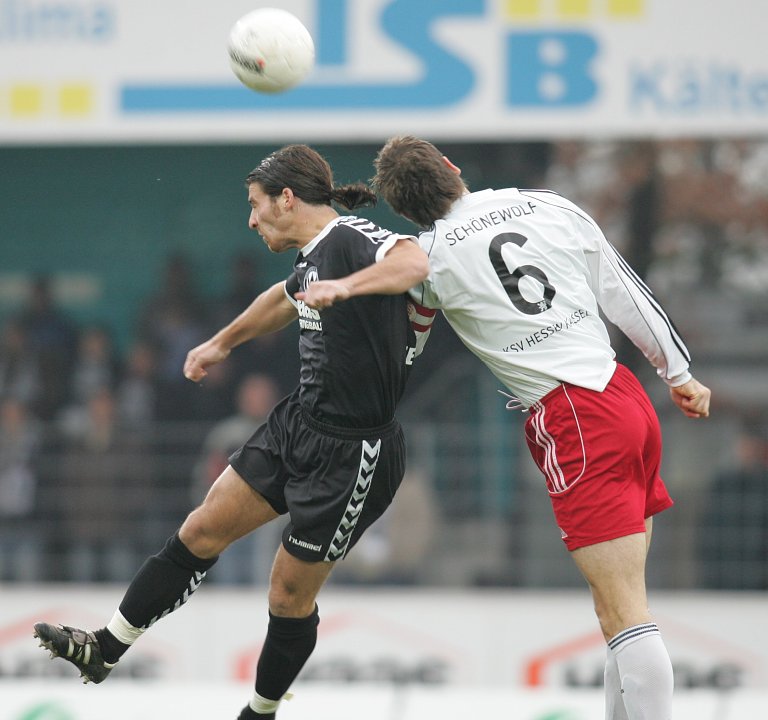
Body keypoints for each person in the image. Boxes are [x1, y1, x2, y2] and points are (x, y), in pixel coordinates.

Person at [303, 135, 711, 720]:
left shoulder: (428, 256)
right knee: (619, 609)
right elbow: (621, 289)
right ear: (451, 167)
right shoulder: (547, 204)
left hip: (575, 418)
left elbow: (406, 337)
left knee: (625, 613)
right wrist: (678, 372)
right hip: (623, 395)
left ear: (406, 211)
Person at [33, 144, 429, 720]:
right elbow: (282, 299)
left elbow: (414, 264)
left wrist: (348, 287)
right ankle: (104, 649)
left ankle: (259, 713)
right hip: (299, 423)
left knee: (287, 594)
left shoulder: (350, 237)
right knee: (200, 528)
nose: (250, 219)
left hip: (355, 454)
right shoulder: (312, 257)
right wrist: (221, 343)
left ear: (286, 198)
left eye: (254, 204)